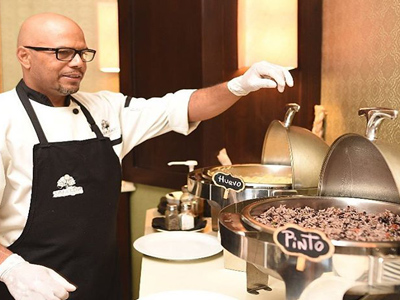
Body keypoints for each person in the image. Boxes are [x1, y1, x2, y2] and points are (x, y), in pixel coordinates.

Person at [0, 12, 293, 300]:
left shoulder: (103, 109)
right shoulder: (4, 118)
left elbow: (181, 107)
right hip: (28, 285)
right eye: (62, 53)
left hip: (101, 279)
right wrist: (11, 268)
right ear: (25, 56)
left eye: (82, 52)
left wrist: (238, 85)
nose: (77, 63)